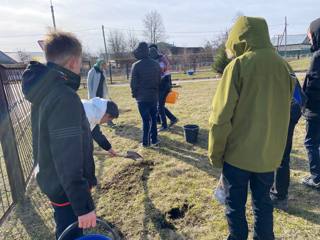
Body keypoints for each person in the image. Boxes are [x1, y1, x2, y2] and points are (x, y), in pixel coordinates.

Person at [208, 16, 295, 240]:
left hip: (237, 156)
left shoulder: (238, 65)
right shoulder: (284, 66)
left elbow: (220, 117)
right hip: (268, 156)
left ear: (238, 38)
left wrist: (216, 154)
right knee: (263, 204)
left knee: (235, 206)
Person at [22, 31, 97, 240]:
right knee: (70, 232)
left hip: (53, 181)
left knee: (64, 228)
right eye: (81, 62)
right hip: (65, 190)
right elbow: (67, 158)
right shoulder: (64, 97)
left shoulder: (45, 88)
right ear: (73, 61)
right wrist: (83, 207)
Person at [270, 79, 304, 209]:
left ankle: (278, 196)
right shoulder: (284, 67)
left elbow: (298, 96)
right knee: (281, 157)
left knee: (280, 157)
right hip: (287, 114)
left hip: (282, 115)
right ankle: (278, 195)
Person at [130, 42, 161, 147]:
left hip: (142, 98)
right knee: (153, 119)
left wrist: (135, 94)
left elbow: (133, 83)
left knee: (146, 120)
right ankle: (154, 140)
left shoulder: (136, 65)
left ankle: (146, 142)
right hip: (153, 96)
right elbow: (158, 80)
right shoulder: (156, 64)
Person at [302, 18, 320, 188]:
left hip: (316, 111)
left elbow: (312, 85)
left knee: (311, 143)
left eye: (310, 36)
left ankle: (316, 178)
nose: (309, 39)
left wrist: (303, 102)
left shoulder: (317, 57)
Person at [149, 46, 178, 132]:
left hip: (162, 86)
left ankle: (164, 125)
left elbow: (160, 75)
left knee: (159, 106)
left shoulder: (159, 62)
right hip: (167, 84)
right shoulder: (163, 58)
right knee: (160, 105)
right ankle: (173, 118)